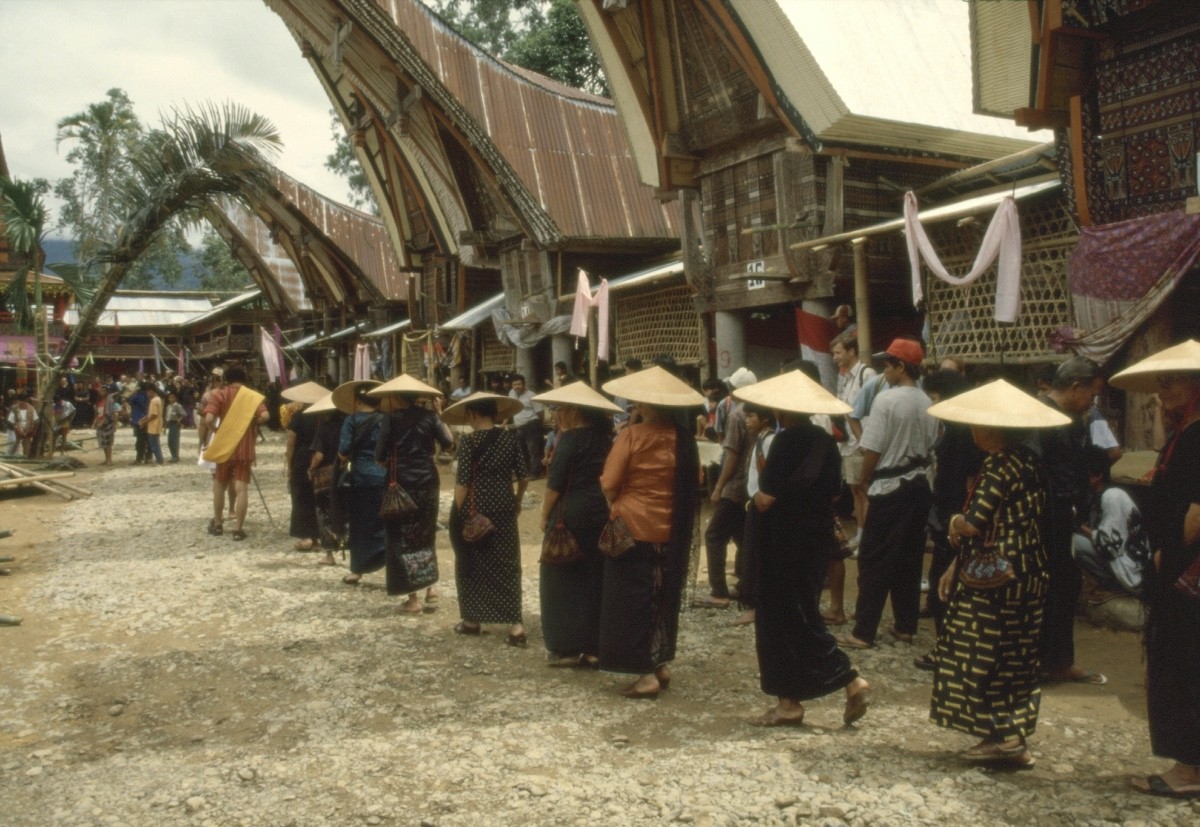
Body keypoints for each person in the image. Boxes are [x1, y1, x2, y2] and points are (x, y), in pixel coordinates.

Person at [927, 379, 1066, 769]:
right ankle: (1010, 735)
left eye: (978, 426)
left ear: (994, 429)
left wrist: (954, 520)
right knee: (1017, 656)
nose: (973, 433)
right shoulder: (1030, 462)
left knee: (982, 652)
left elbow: (974, 524)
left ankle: (1002, 737)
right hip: (1030, 570)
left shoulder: (1000, 465)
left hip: (999, 578)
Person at [732, 369, 871, 727]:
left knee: (784, 621)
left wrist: (753, 505)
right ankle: (792, 699)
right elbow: (836, 492)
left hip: (782, 543)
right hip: (813, 539)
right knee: (802, 614)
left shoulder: (786, 442)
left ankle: (842, 680)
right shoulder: (825, 442)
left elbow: (765, 497)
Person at [1109, 339, 1200, 798]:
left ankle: (1189, 770)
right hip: (1178, 564)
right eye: (1160, 383)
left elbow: (1196, 514)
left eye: (1172, 382)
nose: (1162, 392)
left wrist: (1172, 555)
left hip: (1189, 573)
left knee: (1185, 663)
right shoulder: (1185, 434)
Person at [597, 366, 702, 698]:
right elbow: (695, 481)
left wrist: (618, 503)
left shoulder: (631, 435)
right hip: (673, 530)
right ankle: (660, 661)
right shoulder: (685, 439)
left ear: (641, 404)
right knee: (662, 595)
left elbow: (610, 483)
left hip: (634, 527)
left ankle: (645, 673)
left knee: (632, 601)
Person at [838, 338, 937, 650]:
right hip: (920, 484)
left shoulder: (887, 401)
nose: (885, 370)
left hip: (891, 484)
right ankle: (905, 625)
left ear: (901, 367)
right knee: (909, 557)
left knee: (875, 559)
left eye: (888, 364)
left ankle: (864, 630)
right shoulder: (928, 403)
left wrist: (865, 478)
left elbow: (872, 447)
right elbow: (934, 444)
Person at [1027, 356, 1108, 685]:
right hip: (1039, 516)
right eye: (1092, 393)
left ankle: (1058, 660)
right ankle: (1037, 661)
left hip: (1062, 516)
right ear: (1076, 387)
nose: (1092, 401)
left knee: (1064, 584)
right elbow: (1033, 468)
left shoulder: (1074, 419)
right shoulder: (1038, 416)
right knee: (1041, 588)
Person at [533, 382, 620, 667]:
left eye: (559, 409)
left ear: (572, 411)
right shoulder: (604, 439)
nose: (556, 414)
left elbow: (554, 485)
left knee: (560, 579)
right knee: (595, 578)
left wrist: (545, 515)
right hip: (598, 512)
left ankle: (566, 646)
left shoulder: (570, 440)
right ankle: (594, 645)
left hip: (569, 514)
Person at [443, 391, 529, 644]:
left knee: (470, 563)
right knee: (508, 562)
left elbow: (462, 483)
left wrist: (455, 514)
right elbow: (524, 477)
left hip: (475, 510)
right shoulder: (509, 439)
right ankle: (516, 625)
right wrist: (517, 501)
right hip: (504, 507)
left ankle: (472, 620)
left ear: (473, 413)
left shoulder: (470, 443)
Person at [914, 369, 985, 671]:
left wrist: (959, 517)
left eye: (933, 397)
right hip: (950, 512)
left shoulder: (961, 430)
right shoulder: (957, 427)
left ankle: (947, 648)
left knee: (947, 583)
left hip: (956, 516)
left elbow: (969, 477)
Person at [370, 374, 452, 614]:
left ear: (395, 397)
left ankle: (413, 598)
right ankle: (431, 588)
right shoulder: (430, 417)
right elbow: (449, 443)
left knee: (402, 537)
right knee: (426, 532)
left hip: (401, 482)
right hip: (428, 479)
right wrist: (439, 413)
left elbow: (380, 457)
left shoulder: (390, 419)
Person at [699, 366, 757, 609]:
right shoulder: (758, 413)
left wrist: (719, 486)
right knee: (743, 536)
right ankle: (745, 585)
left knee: (714, 535)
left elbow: (731, 455)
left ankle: (719, 590)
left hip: (735, 485)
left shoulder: (737, 415)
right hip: (751, 484)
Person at [198, 366, 269, 541]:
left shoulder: (219, 394)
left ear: (226, 380)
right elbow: (266, 416)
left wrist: (217, 430)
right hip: (244, 446)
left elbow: (207, 418)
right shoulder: (251, 396)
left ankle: (218, 523)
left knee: (219, 485)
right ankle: (238, 529)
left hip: (225, 446)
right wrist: (254, 423)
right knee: (241, 488)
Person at [1071, 446, 1150, 598]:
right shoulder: (1100, 496)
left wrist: (1080, 528)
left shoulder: (1112, 496)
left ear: (1097, 475)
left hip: (1133, 571)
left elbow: (1110, 546)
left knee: (1074, 542)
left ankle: (1115, 586)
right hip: (1126, 562)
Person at [332, 381, 387, 585]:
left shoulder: (351, 421)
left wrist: (342, 458)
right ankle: (388, 561)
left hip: (361, 479)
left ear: (356, 400)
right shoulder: (386, 419)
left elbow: (344, 450)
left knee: (360, 523)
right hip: (384, 477)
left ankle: (357, 570)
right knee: (385, 520)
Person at [732, 401, 776, 627]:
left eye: (752, 417)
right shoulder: (760, 439)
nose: (747, 421)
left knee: (757, 555)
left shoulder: (769, 441)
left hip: (762, 504)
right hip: (755, 502)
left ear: (765, 418)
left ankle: (756, 606)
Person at [831, 334, 876, 550]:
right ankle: (861, 533)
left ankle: (869, 536)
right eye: (833, 353)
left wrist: (866, 440)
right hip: (847, 443)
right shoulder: (845, 377)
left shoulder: (867, 374)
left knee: (864, 489)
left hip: (863, 442)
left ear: (851, 351)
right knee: (855, 490)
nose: (835, 357)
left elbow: (875, 409)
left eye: (838, 352)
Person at [282, 382, 328, 552]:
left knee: (301, 498)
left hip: (302, 459)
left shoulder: (299, 417)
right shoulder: (326, 417)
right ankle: (320, 536)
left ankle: (306, 536)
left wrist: (289, 463)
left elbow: (291, 443)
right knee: (319, 497)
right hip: (322, 459)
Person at [306, 392, 345, 567]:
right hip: (344, 473)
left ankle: (329, 555)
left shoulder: (323, 427)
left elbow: (319, 455)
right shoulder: (346, 423)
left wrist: (311, 468)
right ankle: (346, 545)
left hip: (324, 476)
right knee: (343, 511)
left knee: (324, 513)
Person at [508, 374, 545, 480]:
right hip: (520, 426)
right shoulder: (511, 393)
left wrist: (538, 425)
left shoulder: (531, 395)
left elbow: (540, 412)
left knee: (533, 449)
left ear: (524, 384)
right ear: (512, 385)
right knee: (521, 450)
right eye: (515, 384)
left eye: (519, 384)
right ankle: (524, 473)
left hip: (531, 424)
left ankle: (535, 473)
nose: (517, 386)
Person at [6, 392, 38, 458]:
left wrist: (32, 430)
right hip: (18, 427)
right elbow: (11, 421)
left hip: (28, 427)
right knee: (16, 441)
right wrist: (17, 428)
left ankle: (26, 456)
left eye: (24, 401)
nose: (22, 403)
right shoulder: (15, 408)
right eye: (21, 401)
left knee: (27, 442)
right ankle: (11, 456)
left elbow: (35, 420)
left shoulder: (31, 408)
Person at [93, 386, 118, 466]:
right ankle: (106, 459)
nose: (101, 392)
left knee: (108, 443)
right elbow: (98, 413)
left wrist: (102, 422)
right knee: (103, 442)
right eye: (101, 390)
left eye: (103, 391)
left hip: (108, 424)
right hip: (100, 422)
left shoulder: (109, 400)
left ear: (107, 391)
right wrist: (94, 423)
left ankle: (109, 459)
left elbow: (108, 414)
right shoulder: (99, 401)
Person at [128, 382, 150, 465]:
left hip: (138, 420)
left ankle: (139, 458)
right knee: (144, 440)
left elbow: (129, 398)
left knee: (140, 441)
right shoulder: (146, 396)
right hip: (143, 418)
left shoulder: (138, 396)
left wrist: (134, 391)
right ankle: (146, 457)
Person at [141, 385, 164, 465]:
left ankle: (159, 460)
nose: (147, 394)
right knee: (155, 443)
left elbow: (154, 415)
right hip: (156, 424)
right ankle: (159, 459)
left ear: (151, 391)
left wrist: (144, 422)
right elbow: (151, 413)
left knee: (154, 444)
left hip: (154, 424)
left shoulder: (154, 401)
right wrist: (144, 418)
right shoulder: (158, 399)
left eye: (148, 392)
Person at [164, 392, 184, 462]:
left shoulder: (178, 406)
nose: (171, 399)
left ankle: (175, 456)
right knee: (170, 441)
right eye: (170, 397)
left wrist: (179, 420)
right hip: (170, 424)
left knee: (174, 440)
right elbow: (167, 417)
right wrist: (165, 428)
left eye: (172, 397)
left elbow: (183, 414)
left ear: (175, 398)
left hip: (175, 423)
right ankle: (173, 455)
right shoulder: (168, 407)